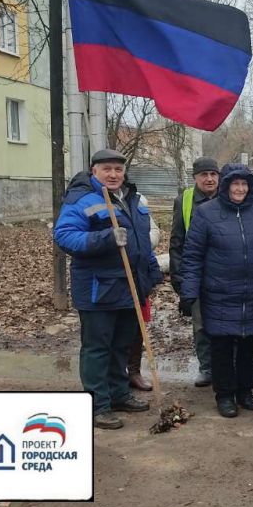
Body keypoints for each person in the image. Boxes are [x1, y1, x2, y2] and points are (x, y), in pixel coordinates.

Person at [54, 149, 162, 430]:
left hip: (130, 286)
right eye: (107, 169)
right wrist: (105, 237)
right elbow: (64, 236)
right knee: (98, 348)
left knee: (120, 346)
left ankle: (118, 394)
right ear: (94, 171)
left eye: (118, 169)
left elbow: (141, 242)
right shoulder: (81, 199)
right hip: (97, 289)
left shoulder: (132, 199)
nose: (113, 174)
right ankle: (97, 405)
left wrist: (150, 273)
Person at [180, 164, 253, 418]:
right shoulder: (206, 213)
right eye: (235, 184)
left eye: (244, 184)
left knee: (249, 346)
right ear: (226, 186)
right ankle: (224, 395)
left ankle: (245, 391)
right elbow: (192, 255)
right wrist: (188, 292)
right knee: (221, 347)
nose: (240, 189)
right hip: (218, 294)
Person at [169, 156, 220, 388]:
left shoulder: (228, 196)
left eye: (213, 174)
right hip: (196, 274)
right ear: (195, 177)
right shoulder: (185, 200)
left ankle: (229, 367)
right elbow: (176, 242)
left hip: (224, 273)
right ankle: (207, 367)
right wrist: (179, 281)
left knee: (227, 323)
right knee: (201, 325)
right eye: (204, 175)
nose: (209, 179)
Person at [127, 200, 161, 391]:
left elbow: (153, 233)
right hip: (109, 278)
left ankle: (133, 371)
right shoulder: (92, 199)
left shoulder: (136, 200)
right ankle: (112, 375)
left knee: (137, 327)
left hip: (139, 274)